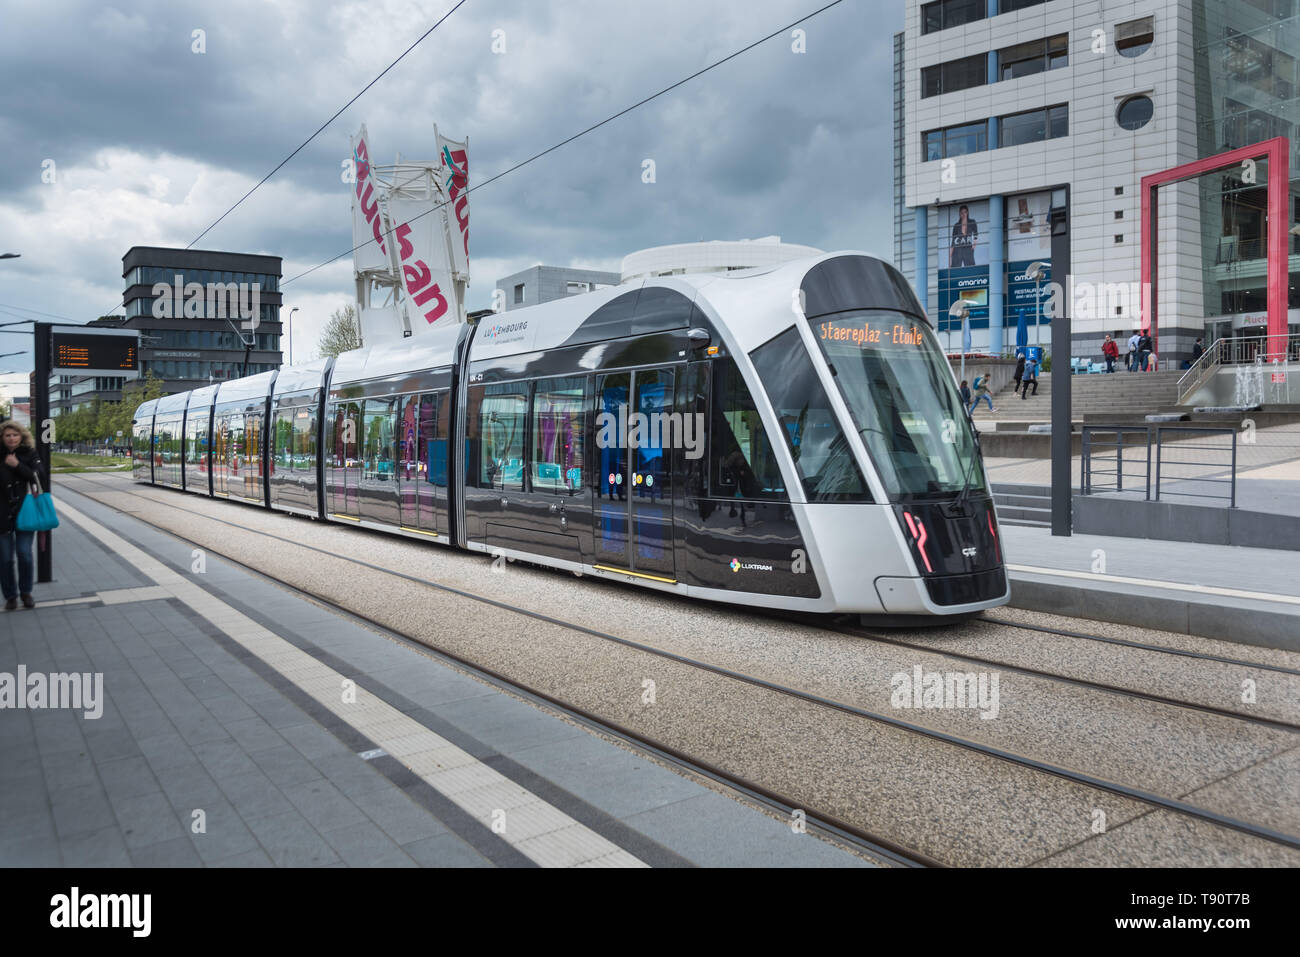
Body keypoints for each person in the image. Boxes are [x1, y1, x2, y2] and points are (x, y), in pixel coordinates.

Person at [0, 421, 42, 610]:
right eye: (7, 435)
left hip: (25, 512)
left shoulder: (29, 454)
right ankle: (10, 596)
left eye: (14, 435)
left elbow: (38, 476)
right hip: (2, 514)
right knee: (5, 558)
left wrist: (17, 465)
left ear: (21, 436)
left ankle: (26, 592)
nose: (11, 438)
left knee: (24, 553)